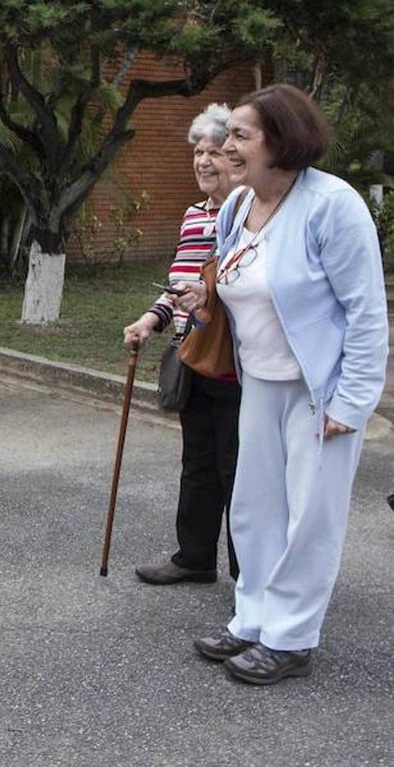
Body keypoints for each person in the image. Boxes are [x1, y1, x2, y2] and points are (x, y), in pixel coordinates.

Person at [180, 84, 387, 685]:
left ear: (282, 141)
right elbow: (236, 281)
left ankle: (291, 637)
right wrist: (206, 299)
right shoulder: (237, 207)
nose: (226, 146)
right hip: (261, 384)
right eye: (228, 134)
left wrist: (352, 402)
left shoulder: (332, 205)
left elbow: (366, 312)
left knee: (309, 520)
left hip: (320, 392)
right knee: (254, 509)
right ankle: (252, 619)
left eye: (241, 136)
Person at [123, 104, 241, 586]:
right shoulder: (193, 215)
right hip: (192, 353)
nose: (203, 161)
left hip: (235, 361)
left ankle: (250, 579)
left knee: (238, 470)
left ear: (236, 157)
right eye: (198, 152)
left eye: (214, 152)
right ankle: (194, 557)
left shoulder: (250, 214)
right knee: (197, 463)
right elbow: (179, 284)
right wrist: (150, 320)